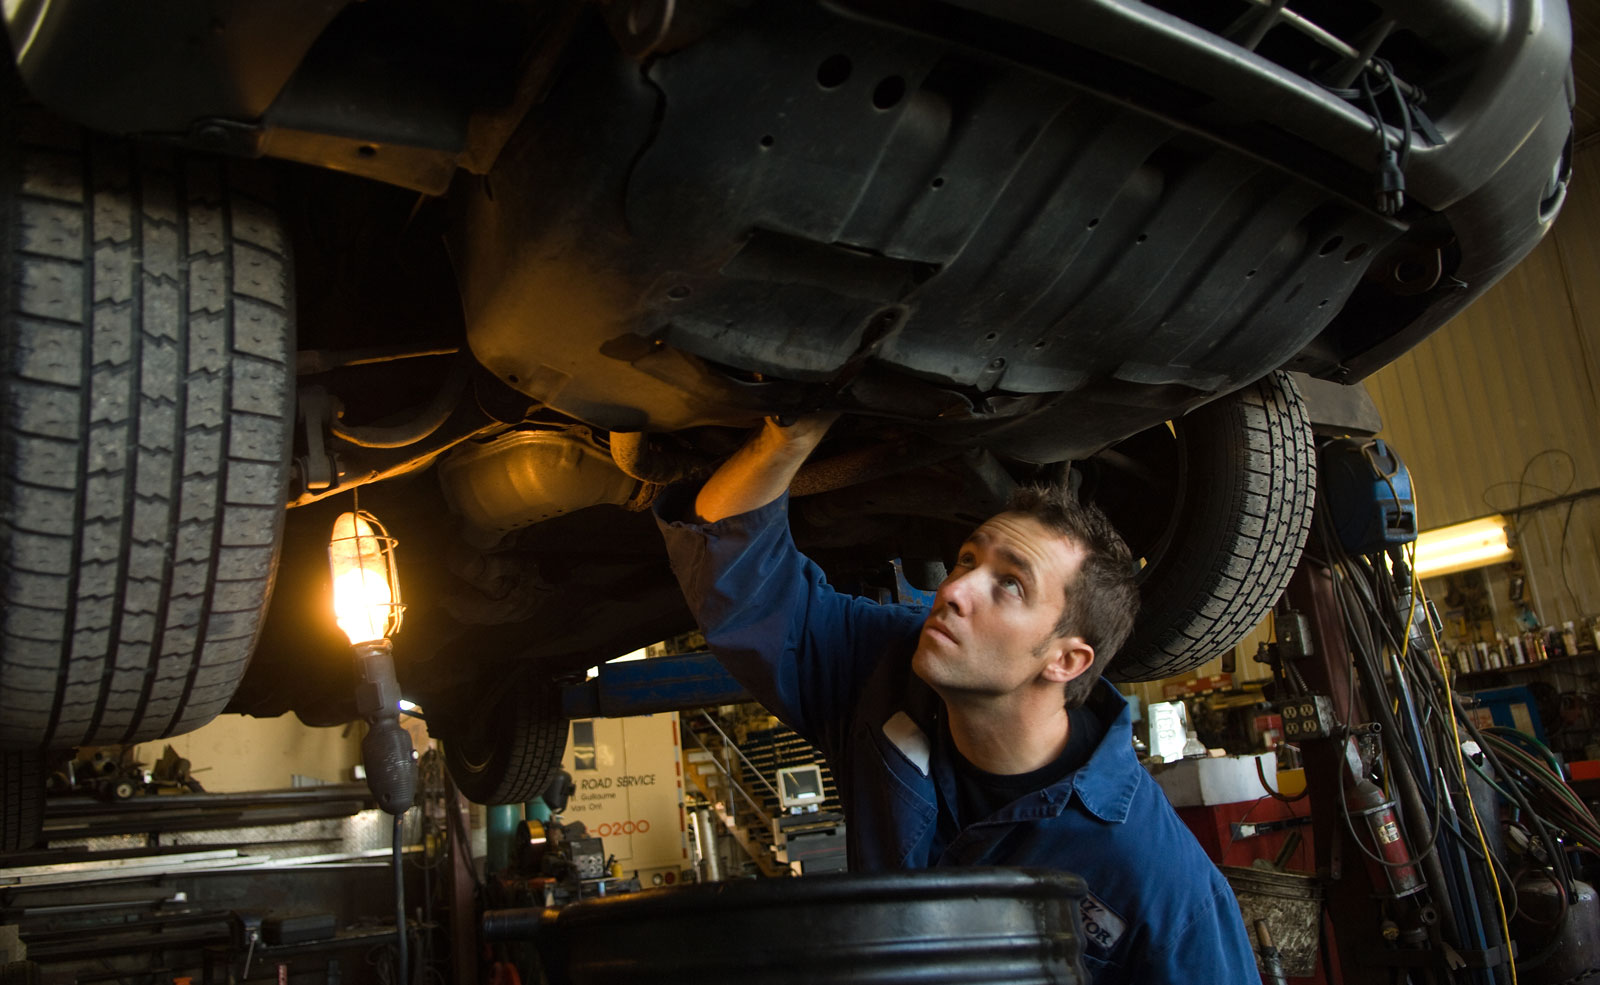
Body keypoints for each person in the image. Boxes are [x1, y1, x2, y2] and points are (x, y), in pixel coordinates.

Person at [654, 415, 1257, 984]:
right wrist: (786, 436)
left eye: (1010, 584)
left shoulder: (1157, 880)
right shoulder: (883, 672)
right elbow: (736, 569)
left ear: (1065, 660)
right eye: (967, 560)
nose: (955, 589)